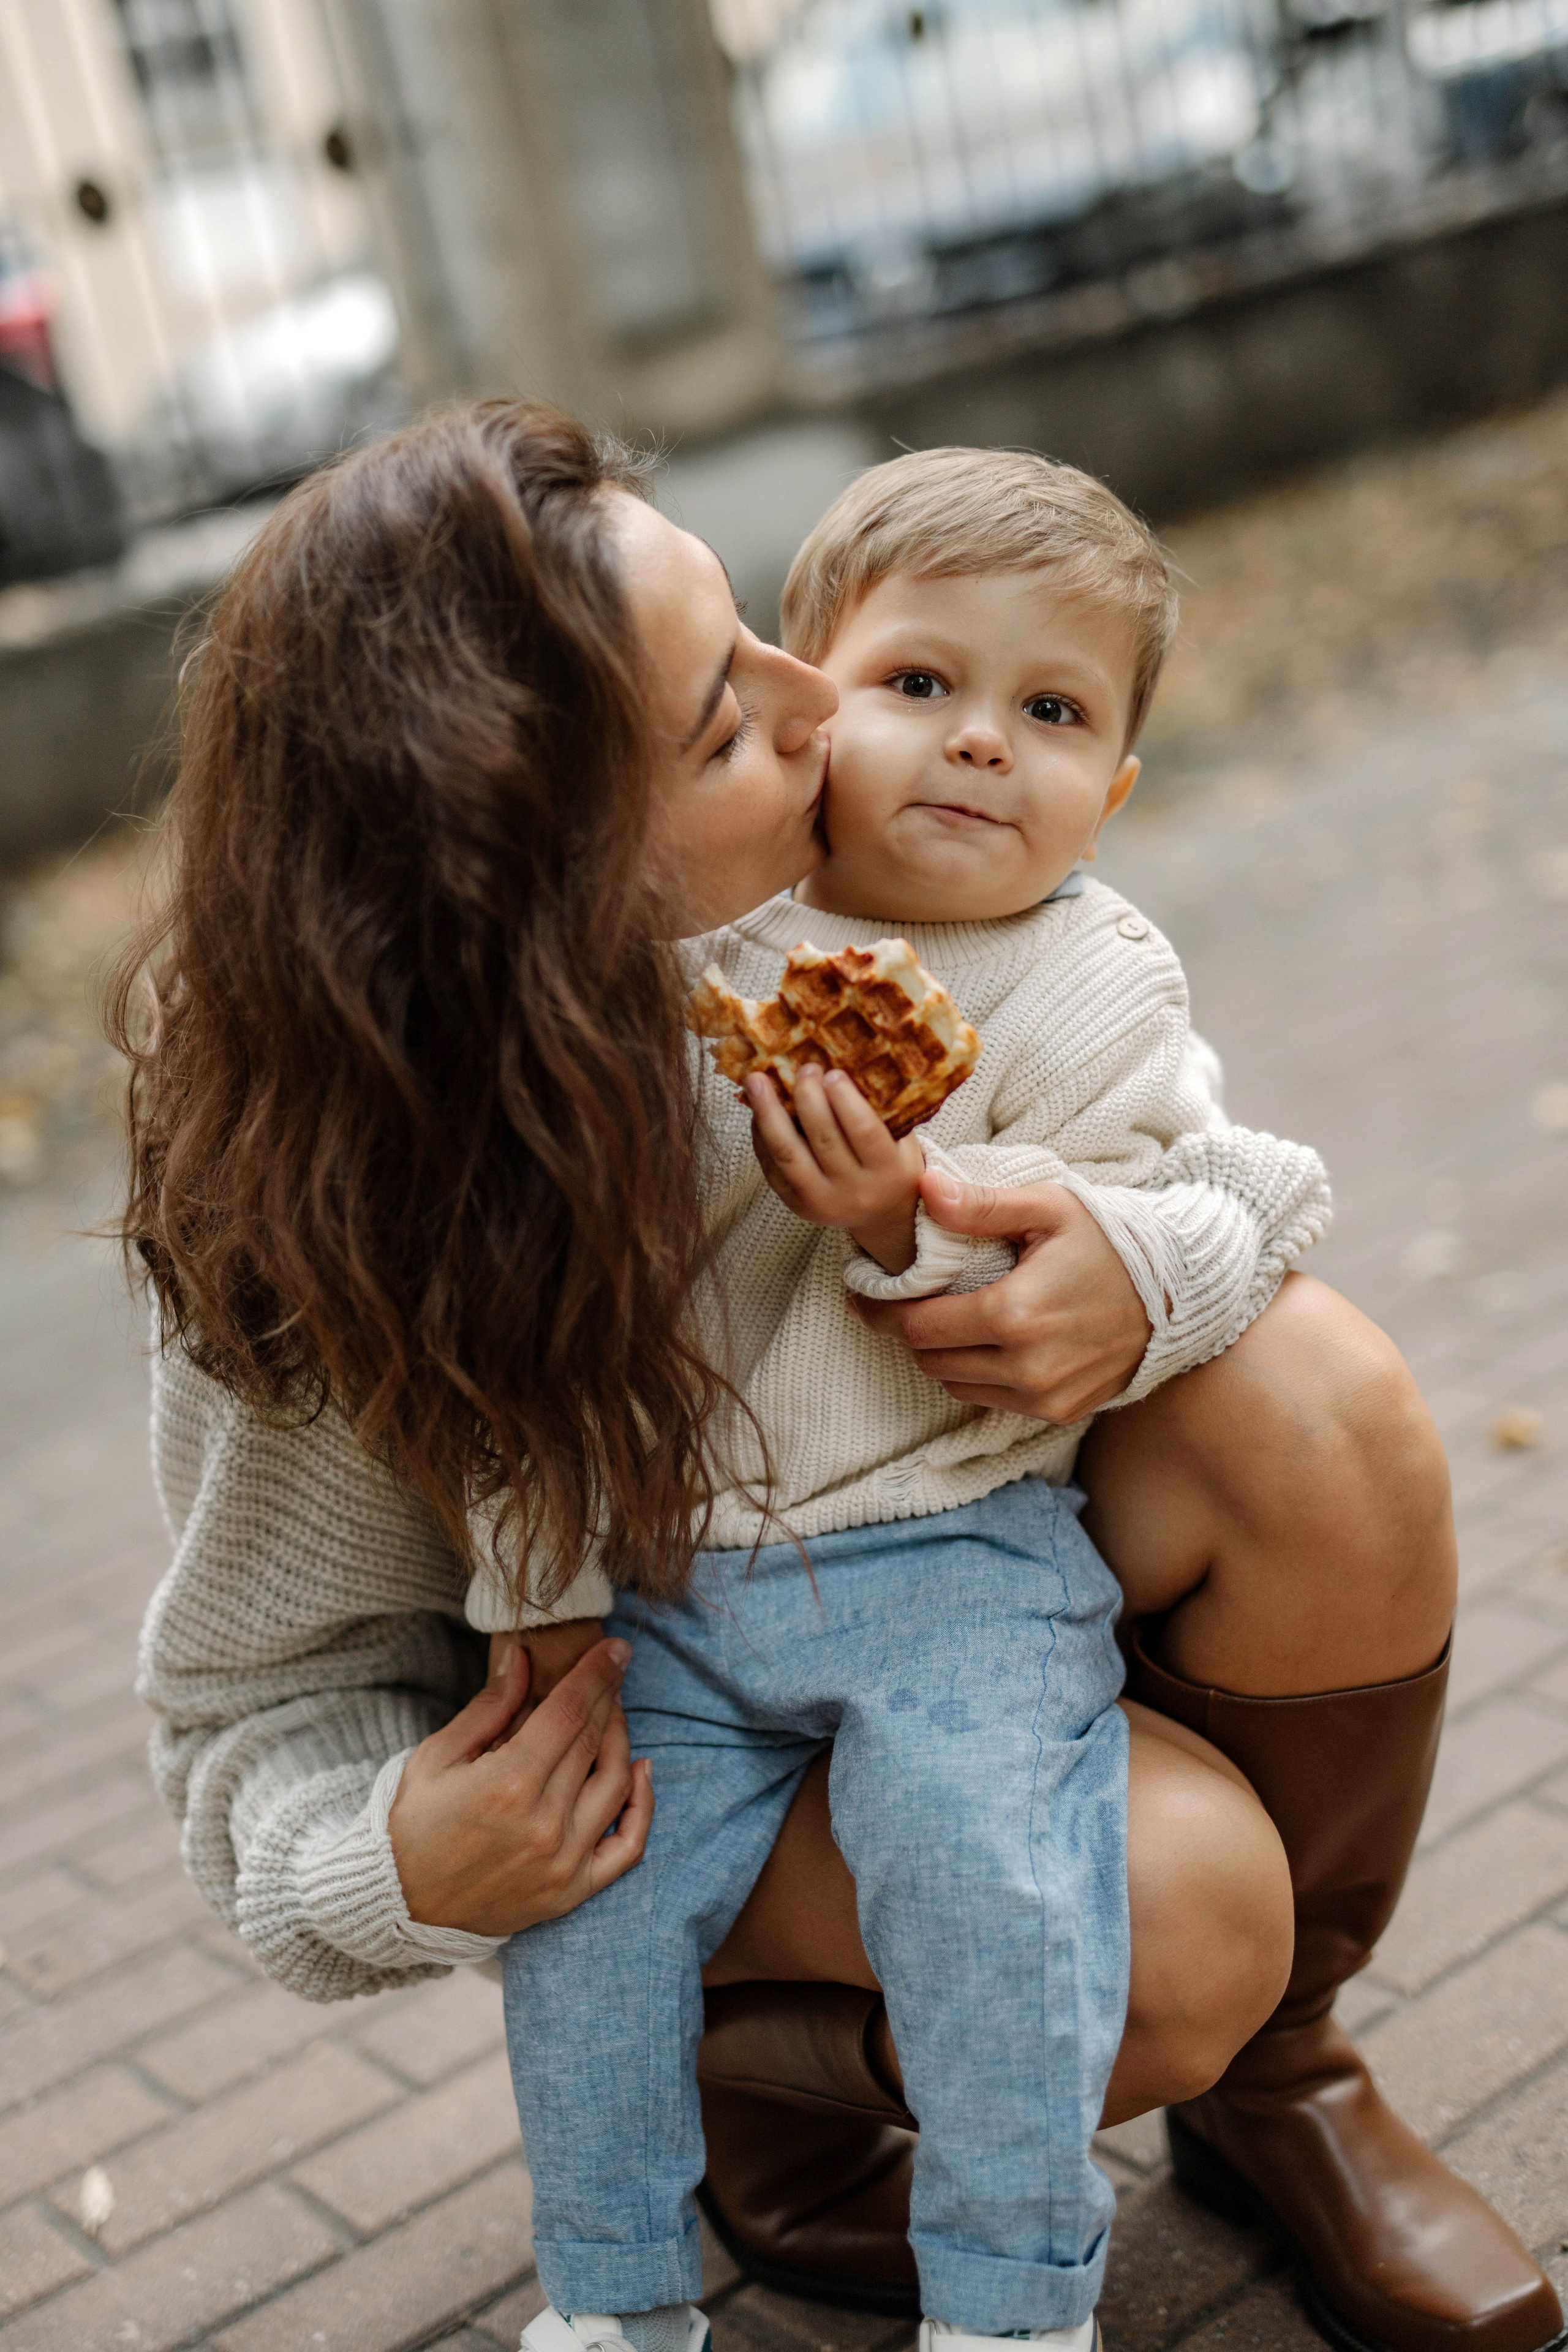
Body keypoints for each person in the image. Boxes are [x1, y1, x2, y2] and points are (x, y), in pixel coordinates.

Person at [118, 401, 1561, 2352]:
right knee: (1185, 1911)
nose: (825, 707)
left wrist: (1130, 1287)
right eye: (724, 717)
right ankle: (754, 2113)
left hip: (948, 1563)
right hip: (640, 1708)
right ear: (546, 880)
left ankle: (1279, 2085)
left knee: (1322, 1397)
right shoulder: (334, 1186)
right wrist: (397, 1862)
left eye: (759, 632)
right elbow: (248, 1708)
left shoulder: (940, 944)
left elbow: (1214, 1166)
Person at [494, 445, 1330, 2352]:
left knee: (994, 1891)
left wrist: (909, 1230)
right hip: (675, 1577)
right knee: (592, 1924)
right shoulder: (682, 940)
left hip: (954, 1548)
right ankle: (614, 2301)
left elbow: (1164, 1199)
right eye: (920, 685)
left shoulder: (1097, 977)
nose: (976, 745)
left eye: (1048, 713)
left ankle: (1012, 2300)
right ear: (801, 707)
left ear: (1110, 790)